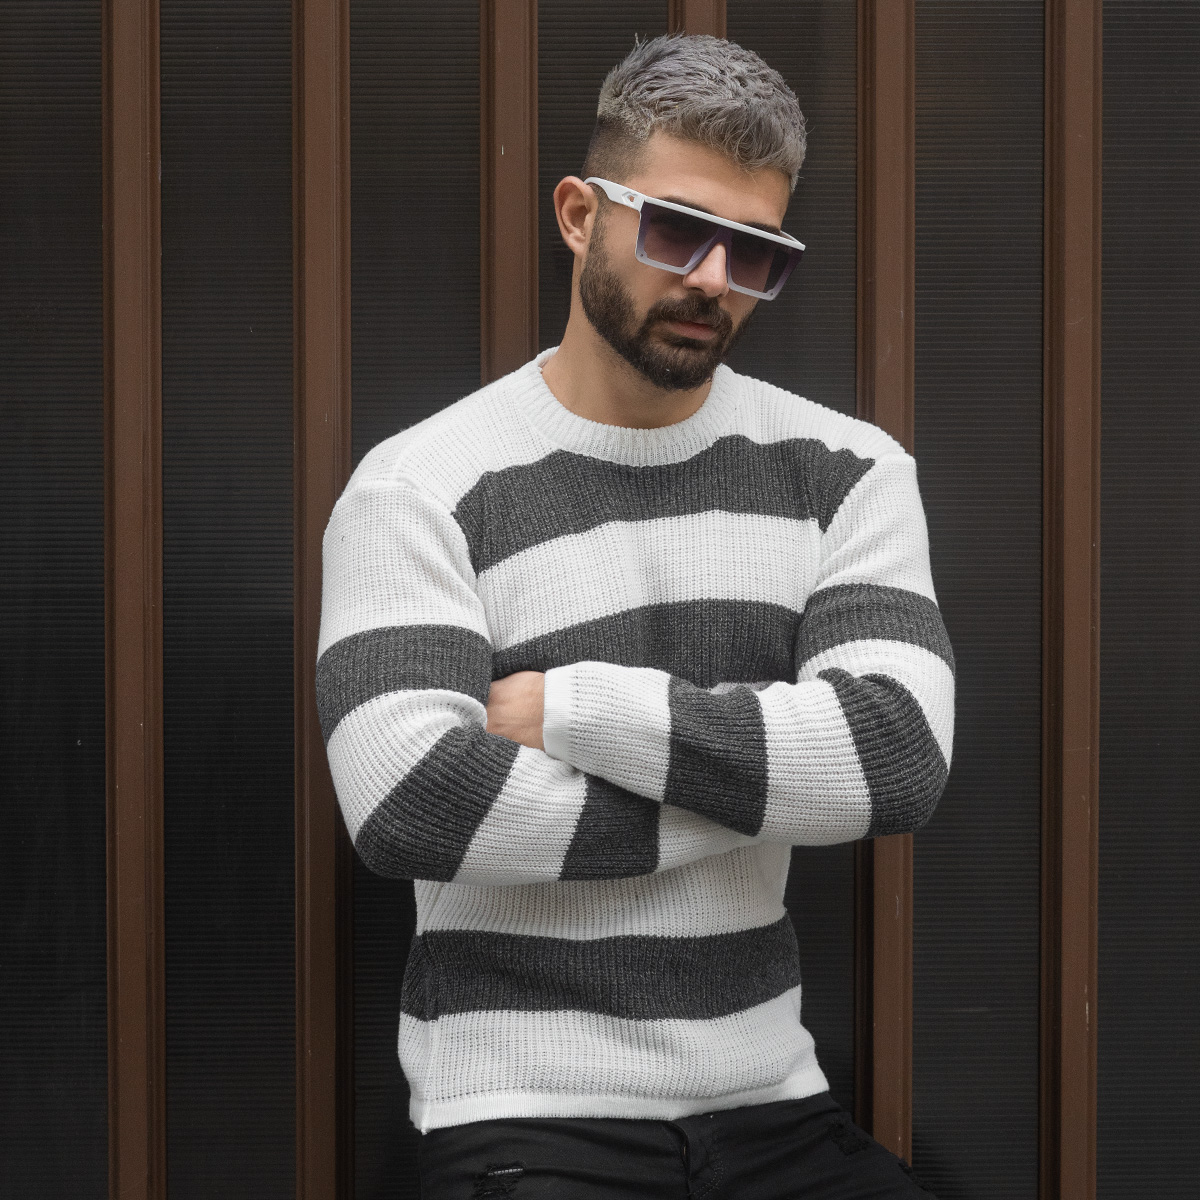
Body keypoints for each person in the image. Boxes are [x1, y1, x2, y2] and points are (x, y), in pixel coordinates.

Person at [317, 33, 952, 1200]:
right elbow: (410, 804)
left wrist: (573, 709)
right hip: (524, 1117)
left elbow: (896, 760)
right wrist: (772, 785)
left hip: (775, 1105)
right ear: (579, 215)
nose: (713, 277)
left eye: (754, 251)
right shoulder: (420, 485)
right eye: (676, 230)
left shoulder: (847, 471)